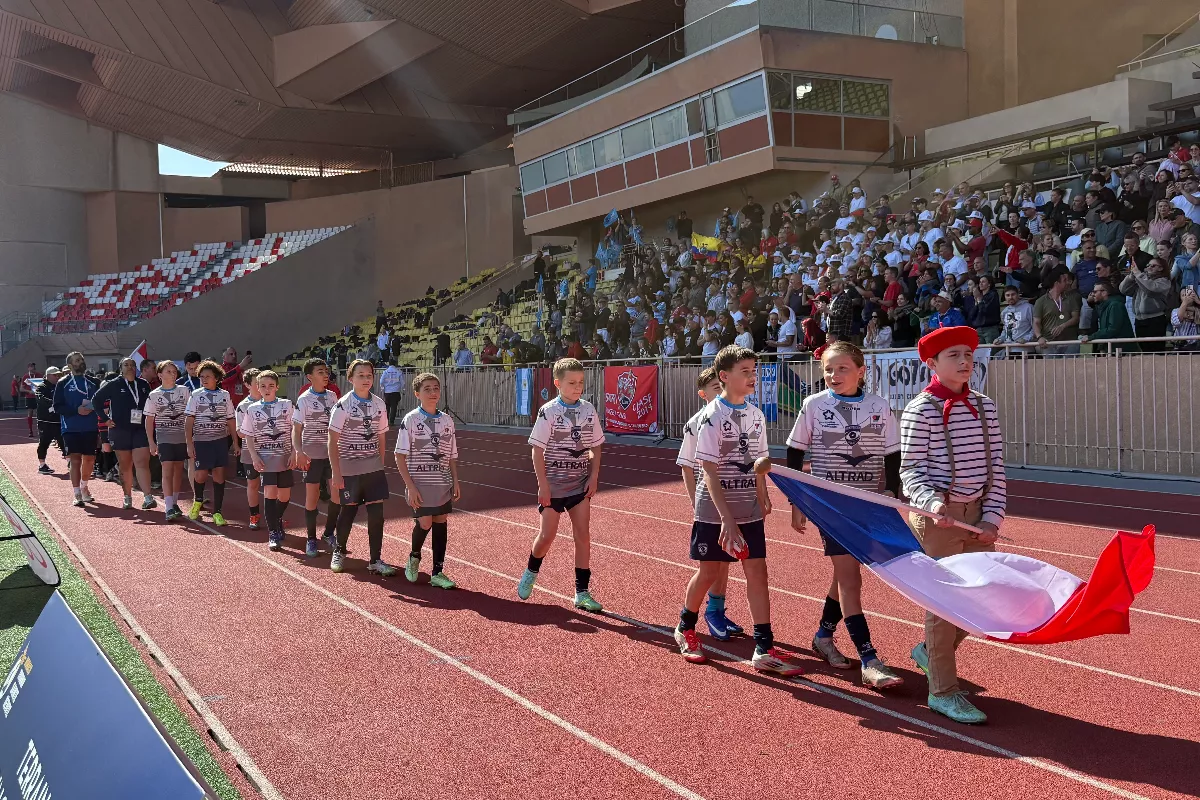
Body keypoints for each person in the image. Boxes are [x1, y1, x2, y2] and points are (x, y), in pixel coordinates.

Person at [672, 345, 803, 675]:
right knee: (709, 573)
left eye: (754, 371)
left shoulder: (756, 415)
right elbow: (709, 471)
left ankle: (764, 647)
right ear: (724, 376)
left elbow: (759, 462)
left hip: (748, 507)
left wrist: (763, 492)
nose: (752, 377)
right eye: (745, 371)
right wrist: (726, 520)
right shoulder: (710, 417)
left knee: (758, 572)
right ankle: (685, 627)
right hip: (715, 511)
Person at [901, 326, 1006, 725]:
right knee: (945, 605)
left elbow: (996, 468)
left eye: (968, 355)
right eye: (954, 356)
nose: (964, 362)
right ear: (932, 363)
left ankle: (930, 653)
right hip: (938, 519)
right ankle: (942, 691)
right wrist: (932, 505)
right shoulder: (920, 409)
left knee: (983, 595)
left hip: (977, 515)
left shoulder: (985, 406)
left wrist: (992, 516)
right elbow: (910, 471)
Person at [787, 342, 904, 688]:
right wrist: (797, 503)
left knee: (845, 576)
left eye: (842, 368)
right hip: (830, 506)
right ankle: (870, 660)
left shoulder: (879, 406)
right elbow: (795, 452)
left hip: (866, 504)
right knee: (851, 579)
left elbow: (893, 453)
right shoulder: (814, 404)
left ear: (861, 371)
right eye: (828, 369)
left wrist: (891, 492)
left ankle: (823, 636)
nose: (833, 375)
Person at [516, 358, 605, 611]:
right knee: (547, 536)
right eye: (572, 383)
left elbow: (596, 446)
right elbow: (537, 450)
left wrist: (593, 476)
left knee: (583, 536)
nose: (578, 387)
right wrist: (543, 485)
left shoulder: (588, 410)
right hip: (553, 486)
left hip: (579, 485)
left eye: (581, 382)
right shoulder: (549, 411)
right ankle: (531, 571)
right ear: (558, 384)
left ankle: (582, 592)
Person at [675, 367, 743, 641]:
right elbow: (686, 466)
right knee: (710, 566)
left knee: (725, 560)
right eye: (715, 387)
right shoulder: (697, 422)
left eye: (722, 385)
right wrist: (696, 502)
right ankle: (695, 619)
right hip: (708, 504)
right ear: (703, 394)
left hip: (730, 500)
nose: (721, 390)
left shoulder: (735, 417)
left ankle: (717, 610)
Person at [395, 372, 461, 589]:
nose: (433, 392)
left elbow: (451, 455)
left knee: (441, 522)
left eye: (436, 388)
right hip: (420, 483)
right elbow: (399, 456)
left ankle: (437, 572)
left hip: (442, 482)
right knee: (425, 523)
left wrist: (455, 481)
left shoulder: (447, 420)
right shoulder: (411, 419)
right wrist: (410, 486)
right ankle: (414, 557)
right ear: (417, 394)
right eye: (427, 389)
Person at [328, 360, 394, 575]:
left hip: (373, 467)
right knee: (348, 511)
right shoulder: (343, 405)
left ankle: (375, 559)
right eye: (361, 375)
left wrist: (380, 463)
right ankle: (339, 550)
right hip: (349, 468)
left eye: (369, 375)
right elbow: (332, 440)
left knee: (376, 514)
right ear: (351, 379)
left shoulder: (379, 404)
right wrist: (336, 472)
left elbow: (381, 436)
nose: (366, 379)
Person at [241, 370, 297, 552]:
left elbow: (295, 429)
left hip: (285, 457)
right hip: (265, 459)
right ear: (258, 388)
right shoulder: (252, 409)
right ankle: (273, 533)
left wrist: (295, 452)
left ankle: (276, 518)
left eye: (271, 385)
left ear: (277, 387)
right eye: (263, 386)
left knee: (285, 496)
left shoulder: (286, 405)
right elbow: (248, 435)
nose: (267, 389)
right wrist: (254, 456)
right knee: (270, 494)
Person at [92, 358, 156, 511]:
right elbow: (96, 401)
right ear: (121, 368)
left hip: (140, 429)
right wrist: (105, 419)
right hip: (120, 430)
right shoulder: (113, 384)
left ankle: (148, 497)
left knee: (142, 462)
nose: (130, 367)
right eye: (126, 365)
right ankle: (127, 496)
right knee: (125, 465)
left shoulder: (143, 384)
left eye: (132, 365)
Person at [292, 358, 342, 554]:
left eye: (326, 371)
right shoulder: (304, 399)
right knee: (312, 497)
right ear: (310, 377)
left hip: (331, 454)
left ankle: (328, 533)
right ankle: (311, 538)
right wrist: (299, 451)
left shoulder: (332, 396)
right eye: (320, 372)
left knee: (336, 496)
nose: (325, 375)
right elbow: (296, 429)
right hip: (311, 455)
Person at [185, 360, 238, 526]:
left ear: (216, 378)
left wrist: (236, 442)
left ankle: (217, 512)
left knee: (219, 475)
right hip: (201, 441)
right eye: (201, 377)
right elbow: (189, 420)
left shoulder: (225, 395)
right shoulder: (196, 395)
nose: (204, 379)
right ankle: (198, 501)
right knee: (200, 475)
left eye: (207, 376)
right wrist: (189, 443)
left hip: (220, 441)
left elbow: (231, 419)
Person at [53, 352, 100, 507]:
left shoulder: (94, 381)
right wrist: (76, 410)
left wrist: (93, 407)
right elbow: (57, 406)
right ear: (70, 365)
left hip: (90, 426)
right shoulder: (63, 383)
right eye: (77, 360)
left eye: (81, 359)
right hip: (71, 427)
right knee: (75, 459)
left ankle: (84, 486)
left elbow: (101, 401)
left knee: (90, 459)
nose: (81, 362)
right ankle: (77, 493)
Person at [145, 361, 191, 521]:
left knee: (178, 470)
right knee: (167, 469)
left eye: (174, 371)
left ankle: (175, 502)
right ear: (160, 375)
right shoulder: (154, 395)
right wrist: (151, 442)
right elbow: (149, 419)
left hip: (181, 436)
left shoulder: (184, 390)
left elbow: (190, 414)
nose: (173, 374)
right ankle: (169, 506)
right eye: (168, 371)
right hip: (164, 436)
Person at [1119, 256, 1172, 352]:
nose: (1149, 268)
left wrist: (1138, 275)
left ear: (1161, 268)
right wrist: (1131, 276)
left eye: (1153, 266)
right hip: (1139, 320)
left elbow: (1151, 289)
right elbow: (1123, 290)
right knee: (1144, 351)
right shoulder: (1142, 279)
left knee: (1156, 351)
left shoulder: (1164, 281)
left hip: (1155, 320)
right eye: (1148, 265)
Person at [235, 369, 264, 530]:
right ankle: (254, 515)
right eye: (256, 383)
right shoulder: (243, 406)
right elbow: (240, 432)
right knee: (253, 484)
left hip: (272, 450)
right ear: (247, 385)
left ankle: (275, 516)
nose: (260, 386)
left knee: (273, 485)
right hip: (250, 452)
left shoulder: (274, 402)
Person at [1033, 267, 1081, 355]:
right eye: (1064, 280)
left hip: (1070, 342)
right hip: (1049, 343)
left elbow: (1076, 318)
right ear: (1056, 283)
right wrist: (1039, 337)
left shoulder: (1071, 298)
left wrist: (1063, 326)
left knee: (1071, 364)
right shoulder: (1041, 301)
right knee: (1051, 365)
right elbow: (1036, 322)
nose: (1067, 283)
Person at [34, 367, 63, 474]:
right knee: (44, 442)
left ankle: (70, 462)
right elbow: (40, 399)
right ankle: (42, 465)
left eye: (58, 375)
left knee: (64, 442)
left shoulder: (59, 386)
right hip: (45, 421)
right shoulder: (41, 387)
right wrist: (54, 403)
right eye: (55, 375)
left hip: (58, 420)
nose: (57, 377)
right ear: (49, 375)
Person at [380, 360, 404, 426]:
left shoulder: (385, 372)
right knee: (394, 407)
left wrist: (383, 388)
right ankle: (391, 422)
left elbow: (381, 381)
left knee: (387, 407)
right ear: (395, 364)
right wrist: (401, 389)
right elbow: (402, 383)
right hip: (396, 392)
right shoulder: (399, 372)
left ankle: (386, 421)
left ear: (389, 364)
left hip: (387, 392)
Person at [21, 362, 40, 437]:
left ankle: (40, 430)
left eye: (33, 366)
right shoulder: (25, 377)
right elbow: (21, 389)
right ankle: (30, 430)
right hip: (29, 398)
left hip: (37, 397)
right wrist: (29, 391)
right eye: (31, 366)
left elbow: (43, 385)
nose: (33, 368)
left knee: (39, 413)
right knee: (30, 413)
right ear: (28, 368)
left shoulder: (39, 375)